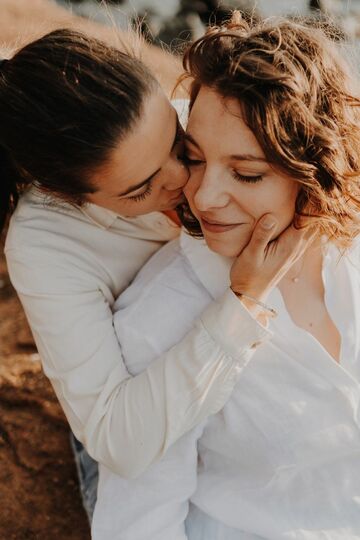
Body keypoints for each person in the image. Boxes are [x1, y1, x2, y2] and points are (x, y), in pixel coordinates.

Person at [1, 24, 306, 522]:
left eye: (177, 142)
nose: (190, 183)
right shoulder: (45, 245)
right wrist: (242, 302)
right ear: (68, 195)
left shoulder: (208, 126)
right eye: (141, 189)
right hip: (148, 416)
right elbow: (116, 438)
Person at [90, 12, 360, 540]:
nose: (205, 197)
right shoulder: (160, 315)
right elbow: (138, 524)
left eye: (246, 172)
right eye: (194, 158)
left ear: (316, 166)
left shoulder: (349, 252)